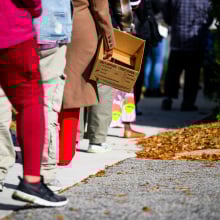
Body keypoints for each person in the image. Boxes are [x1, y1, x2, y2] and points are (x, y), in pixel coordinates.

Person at [0, 0, 73, 193]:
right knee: (42, 105)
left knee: (1, 105)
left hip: (11, 27)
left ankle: (0, 170)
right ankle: (44, 173)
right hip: (44, 29)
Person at [58, 0, 115, 164]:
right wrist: (110, 38)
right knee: (74, 91)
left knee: (54, 91)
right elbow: (100, 8)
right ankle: (65, 151)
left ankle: (56, 148)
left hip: (47, 25)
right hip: (79, 28)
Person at [161, 0, 213, 111]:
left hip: (177, 38)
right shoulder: (205, 1)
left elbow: (167, 13)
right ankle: (188, 102)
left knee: (173, 72)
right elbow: (209, 17)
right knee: (193, 74)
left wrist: (174, 23)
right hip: (196, 40)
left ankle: (168, 98)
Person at [109, 0, 146, 138]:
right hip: (123, 35)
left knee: (107, 81)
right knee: (126, 82)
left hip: (109, 32)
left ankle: (99, 128)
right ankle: (126, 126)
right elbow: (125, 10)